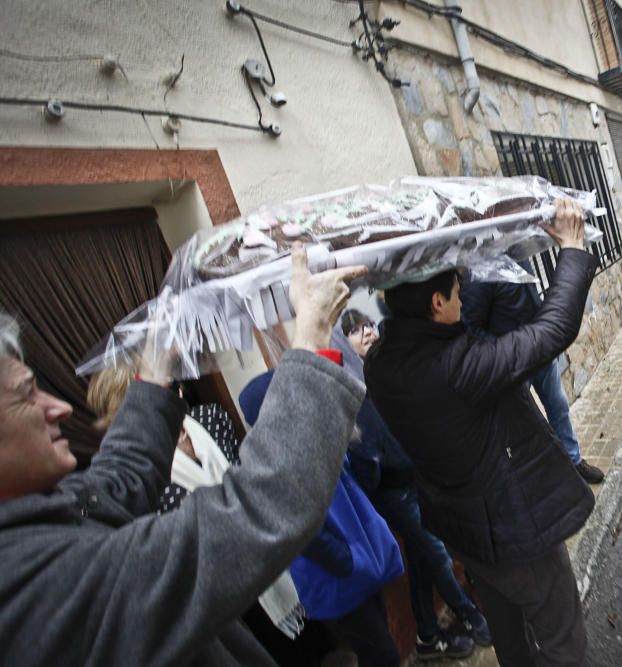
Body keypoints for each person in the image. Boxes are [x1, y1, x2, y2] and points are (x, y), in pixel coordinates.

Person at [0, 244, 368, 666]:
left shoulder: (36, 521)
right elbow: (259, 509)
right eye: (27, 393)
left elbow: (117, 481)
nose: (58, 408)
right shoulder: (30, 587)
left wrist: (156, 371)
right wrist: (311, 341)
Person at [364, 199, 596, 666]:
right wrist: (572, 248)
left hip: (465, 533)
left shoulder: (381, 364)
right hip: (514, 531)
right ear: (436, 304)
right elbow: (552, 330)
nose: (461, 298)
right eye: (456, 291)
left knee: (512, 644)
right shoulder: (457, 367)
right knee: (561, 641)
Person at [339, 308, 489, 661]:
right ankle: (469, 614)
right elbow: (365, 453)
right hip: (391, 491)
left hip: (416, 476)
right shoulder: (348, 389)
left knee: (424, 556)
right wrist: (370, 456)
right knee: (434, 549)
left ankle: (425, 632)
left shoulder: (384, 371)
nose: (368, 333)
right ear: (342, 343)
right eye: (356, 330)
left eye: (369, 326)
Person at [240, 369, 405, 667]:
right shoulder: (271, 467)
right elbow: (306, 535)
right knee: (384, 657)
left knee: (381, 650)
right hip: (337, 577)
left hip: (364, 561)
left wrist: (355, 441)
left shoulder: (312, 437)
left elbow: (366, 480)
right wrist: (348, 561)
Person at [459, 277, 604, 484]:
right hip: (513, 364)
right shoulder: (479, 276)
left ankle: (574, 462)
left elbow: (531, 298)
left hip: (539, 351)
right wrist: (505, 350)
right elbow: (470, 327)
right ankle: (542, 482)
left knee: (558, 406)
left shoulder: (518, 252)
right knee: (523, 426)